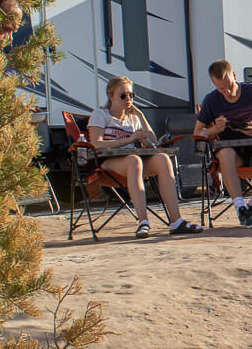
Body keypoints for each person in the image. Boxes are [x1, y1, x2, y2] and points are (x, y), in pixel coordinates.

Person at [87, 77, 203, 238]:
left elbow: (154, 142)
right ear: (111, 95)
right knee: (134, 161)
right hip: (107, 164)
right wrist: (129, 139)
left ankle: (176, 221)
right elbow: (96, 143)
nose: (128, 99)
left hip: (133, 162)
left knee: (162, 159)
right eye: (123, 96)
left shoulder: (133, 118)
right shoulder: (101, 114)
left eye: (131, 95)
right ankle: (143, 221)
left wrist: (141, 117)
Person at [193, 60, 252, 228]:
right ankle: (240, 208)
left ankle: (251, 207)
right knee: (225, 153)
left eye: (229, 85)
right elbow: (197, 133)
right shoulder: (211, 100)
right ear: (214, 85)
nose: (227, 92)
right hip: (234, 154)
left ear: (234, 76)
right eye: (221, 88)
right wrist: (215, 129)